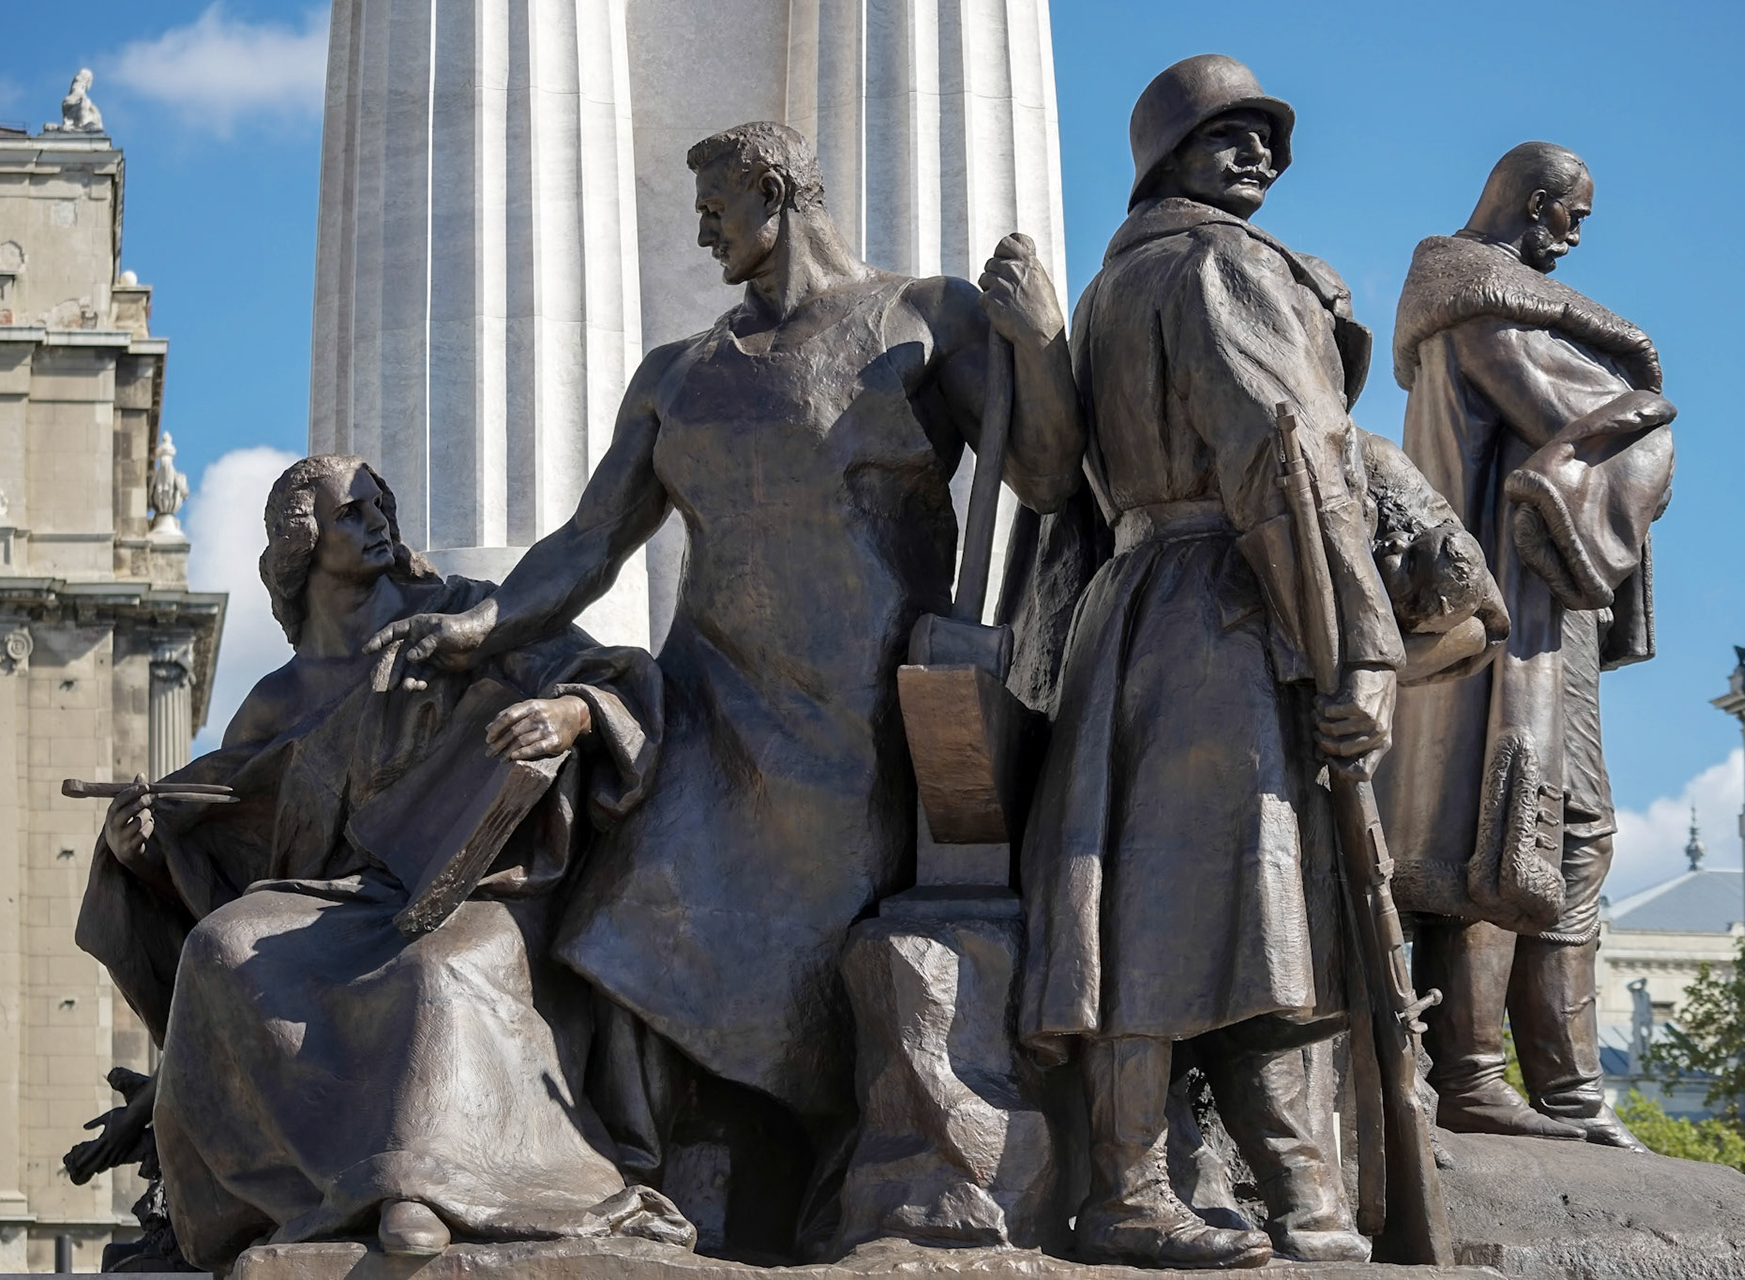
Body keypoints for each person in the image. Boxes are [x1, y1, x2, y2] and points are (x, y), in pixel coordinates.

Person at [363, 122, 1083, 1255]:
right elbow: (587, 546)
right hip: (710, 709)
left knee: (807, 956)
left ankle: (788, 1178)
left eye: (717, 206)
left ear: (779, 189)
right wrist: (474, 625)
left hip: (860, 720)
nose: (703, 229)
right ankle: (649, 1178)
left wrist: (1039, 343)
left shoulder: (924, 318)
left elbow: (1044, 470)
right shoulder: (677, 376)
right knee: (627, 906)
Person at [75, 456, 692, 1271]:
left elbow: (618, 678)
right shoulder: (279, 700)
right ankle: (275, 1205)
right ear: (304, 546)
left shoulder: (466, 614)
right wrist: (144, 852)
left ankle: (426, 1191)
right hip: (337, 899)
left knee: (434, 972)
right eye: (354, 513)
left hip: (484, 881)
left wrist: (571, 715)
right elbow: (232, 842)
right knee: (222, 949)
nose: (378, 524)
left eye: (381, 508)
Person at [1012, 54, 1419, 1268]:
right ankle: (1192, 1190)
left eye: (1268, 140)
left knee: (1186, 897)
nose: (1260, 157)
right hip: (1233, 605)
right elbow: (1286, 460)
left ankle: (1290, 1189)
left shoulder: (1105, 290)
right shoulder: (1228, 267)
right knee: (1236, 892)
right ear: (1163, 157)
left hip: (1129, 609)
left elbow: (1051, 481)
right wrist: (1358, 648)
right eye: (1226, 137)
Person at [1374, 142, 1676, 1150]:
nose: (1579, 233)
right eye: (1571, 211)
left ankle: (1571, 1087)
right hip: (1508, 613)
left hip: (1547, 609)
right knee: (1504, 827)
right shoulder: (1481, 309)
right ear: (1534, 203)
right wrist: (1639, 401)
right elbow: (1566, 418)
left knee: (1571, 831)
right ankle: (1474, 1074)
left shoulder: (1488, 308)